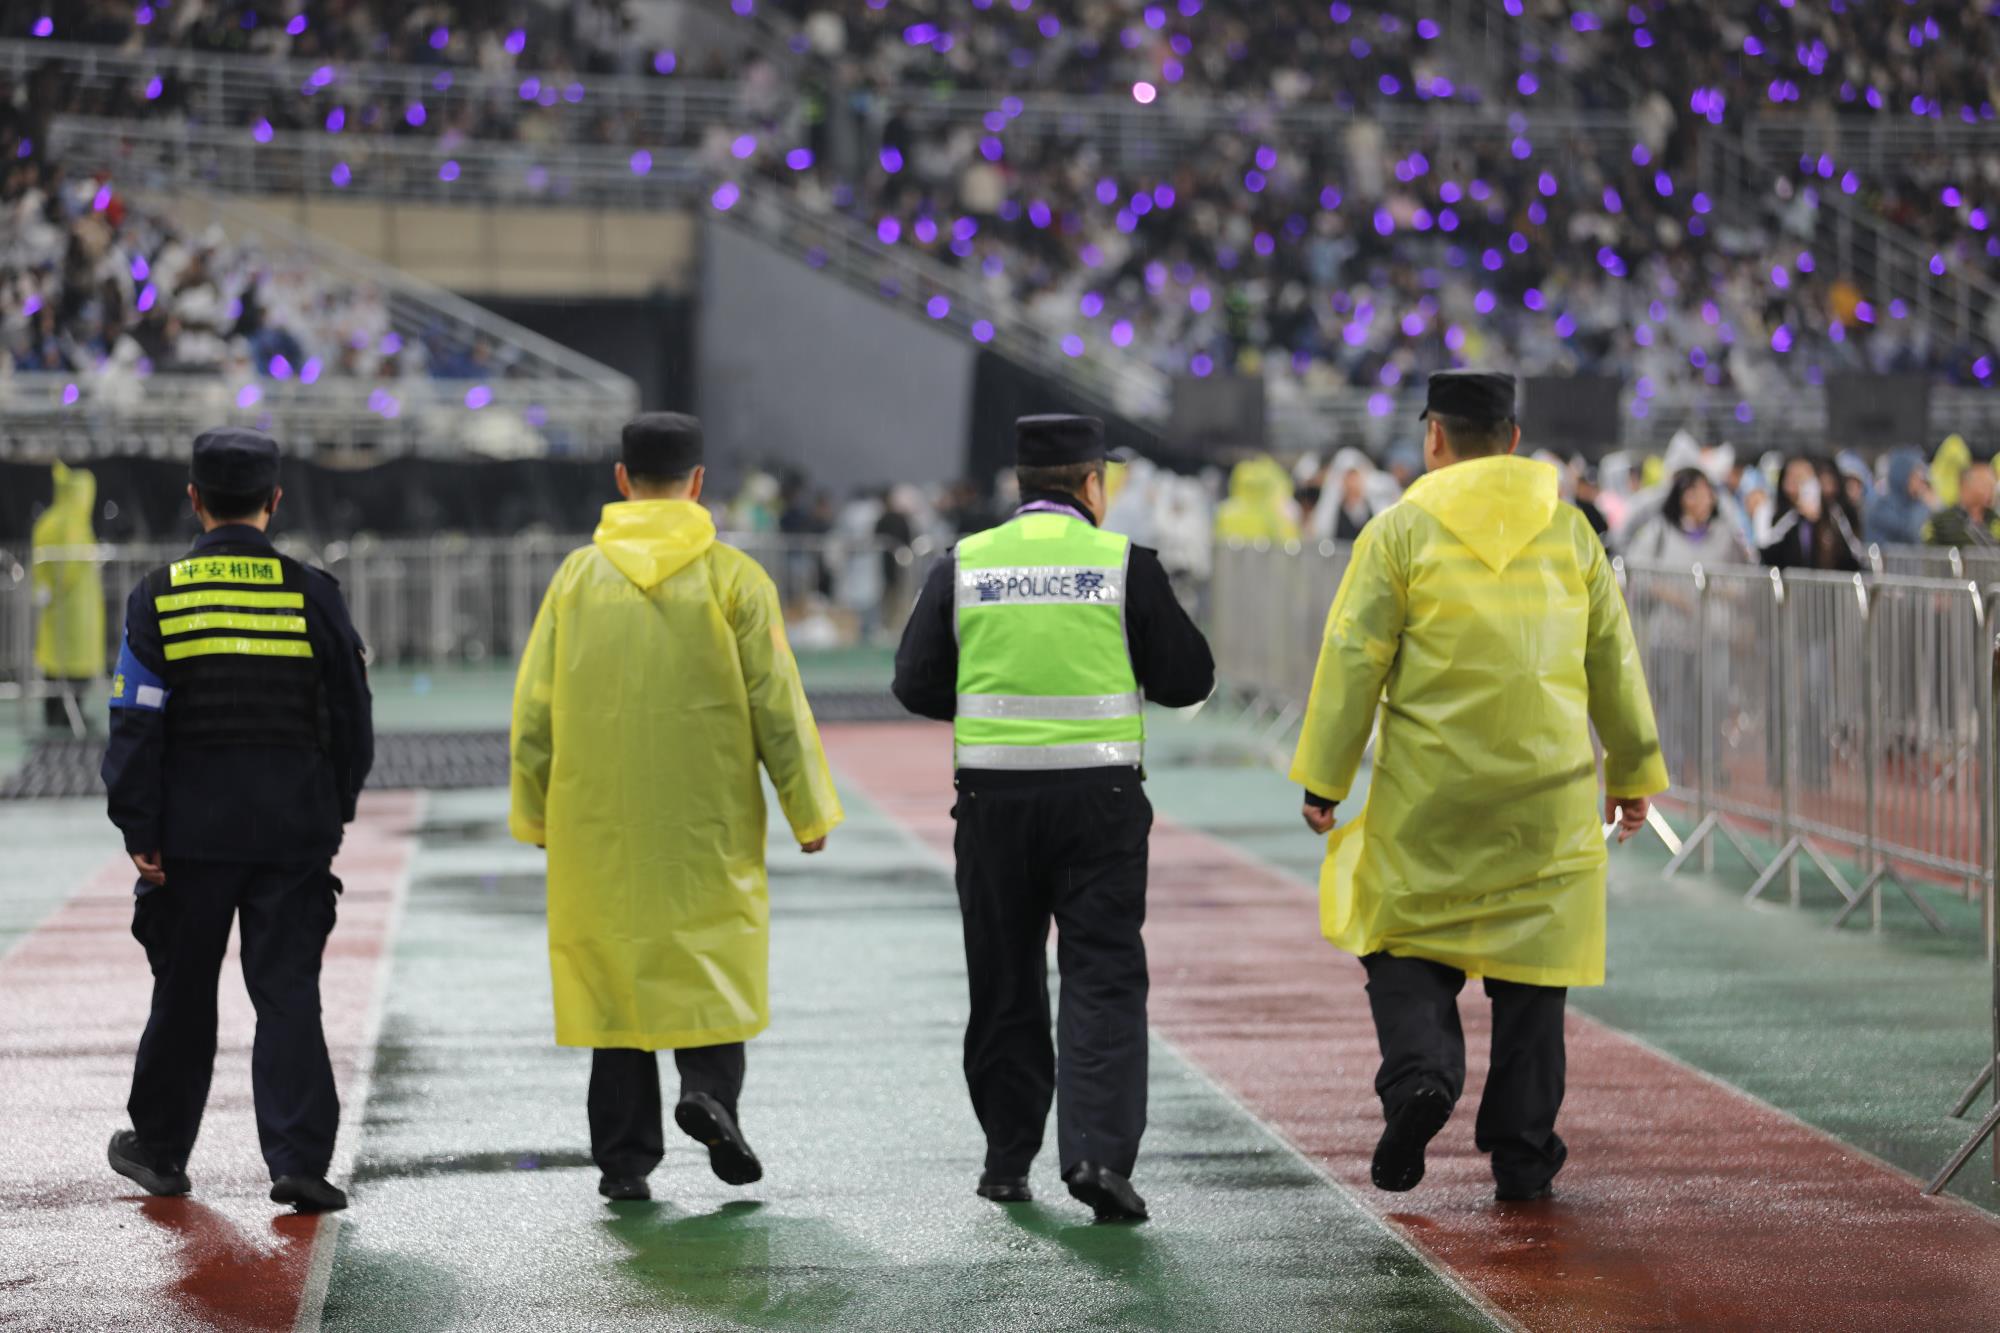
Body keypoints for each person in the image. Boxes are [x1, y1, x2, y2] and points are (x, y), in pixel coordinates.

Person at [1288, 372, 1667, 1204]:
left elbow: (1353, 657)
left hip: (1431, 795)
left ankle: (1423, 1070)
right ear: (1514, 438)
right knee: (1535, 977)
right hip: (1549, 800)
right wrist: (1633, 770)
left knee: (1397, 934)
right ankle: (1523, 1156)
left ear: (1434, 437)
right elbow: (1614, 657)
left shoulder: (1399, 532)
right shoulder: (1571, 532)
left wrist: (1324, 776)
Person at [509, 412, 844, 1204]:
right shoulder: (737, 579)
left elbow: (534, 709)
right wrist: (808, 809)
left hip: (598, 822)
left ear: (622, 479)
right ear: (698, 482)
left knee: (613, 979)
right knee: (712, 957)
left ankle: (625, 1160)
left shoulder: (576, 579)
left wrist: (534, 812)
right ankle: (708, 1092)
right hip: (707, 816)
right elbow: (779, 705)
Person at [891, 415, 1215, 1222]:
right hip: (1101, 803)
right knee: (1103, 974)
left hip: (992, 802)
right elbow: (1188, 677)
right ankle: (1097, 1154)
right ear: (1093, 483)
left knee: (1004, 975)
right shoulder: (1123, 564)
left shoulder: (966, 562)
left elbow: (915, 680)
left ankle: (1007, 1160)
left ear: (1020, 484)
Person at [100, 427, 373, 1214]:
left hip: (190, 838)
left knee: (184, 990)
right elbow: (352, 718)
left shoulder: (159, 596)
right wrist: (335, 808)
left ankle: (160, 1149)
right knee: (288, 991)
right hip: (293, 832)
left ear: (195, 498)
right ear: (274, 500)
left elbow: (136, 720)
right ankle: (299, 1161)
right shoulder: (313, 594)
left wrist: (140, 825)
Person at [30, 459, 106, 732]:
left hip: (63, 610)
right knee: (70, 669)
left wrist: (44, 586)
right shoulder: (72, 524)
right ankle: (62, 716)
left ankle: (61, 714)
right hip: (74, 612)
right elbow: (67, 566)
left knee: (58, 665)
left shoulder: (51, 521)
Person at [1624, 469, 1754, 567]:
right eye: (1696, 494)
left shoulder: (1725, 534)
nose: (1706, 501)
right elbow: (1638, 570)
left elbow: (1743, 574)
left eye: (1707, 494)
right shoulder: (1659, 531)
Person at [1760, 455, 1863, 570]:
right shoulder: (1783, 514)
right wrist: (1796, 516)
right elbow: (1766, 547)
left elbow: (1854, 553)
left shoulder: (1834, 513)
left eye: (1802, 478)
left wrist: (1822, 517)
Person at [1862, 447, 1933, 547]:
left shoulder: (1919, 506)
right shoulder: (1880, 510)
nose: (1920, 481)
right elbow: (1911, 533)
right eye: (1914, 476)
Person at [1922, 461, 2000, 549]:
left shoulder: (1996, 519)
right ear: (1965, 486)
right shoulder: (1939, 521)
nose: (1991, 491)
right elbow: (1930, 553)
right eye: (1985, 485)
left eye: (1992, 485)